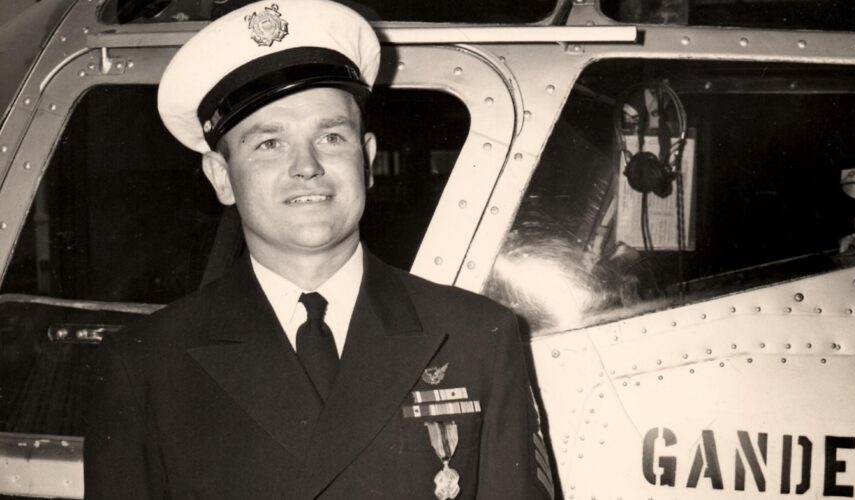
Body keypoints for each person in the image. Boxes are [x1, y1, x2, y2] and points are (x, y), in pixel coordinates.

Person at [83, 1, 554, 499]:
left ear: (367, 160)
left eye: (330, 136)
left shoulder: (477, 337)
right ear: (222, 177)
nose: (306, 166)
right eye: (269, 144)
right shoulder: (147, 364)